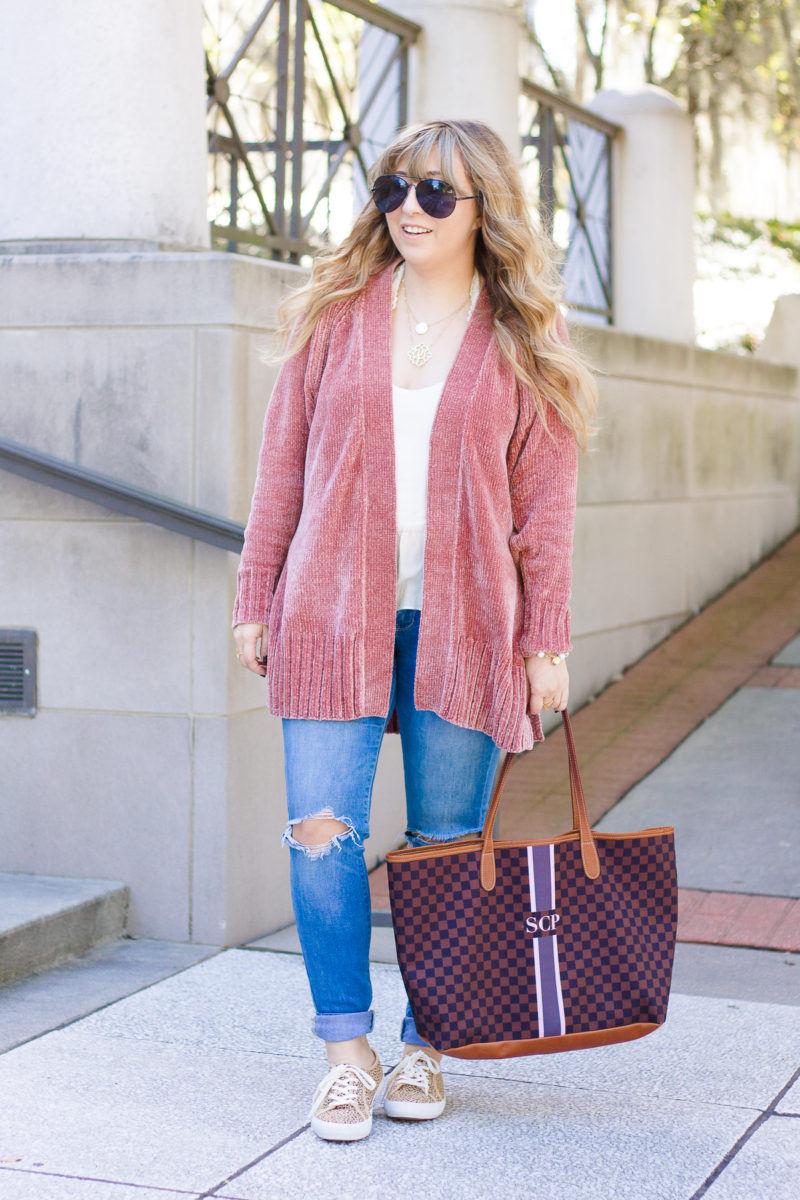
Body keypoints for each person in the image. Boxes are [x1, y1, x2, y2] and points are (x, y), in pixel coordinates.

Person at [233, 118, 597, 1142]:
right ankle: (345, 1054)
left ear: (485, 208)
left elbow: (547, 508)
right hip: (327, 613)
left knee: (443, 848)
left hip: (469, 622)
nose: (408, 210)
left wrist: (546, 641)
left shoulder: (526, 333)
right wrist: (254, 596)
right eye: (393, 189)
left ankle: (423, 1042)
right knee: (320, 836)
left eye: (435, 193)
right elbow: (279, 471)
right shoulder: (339, 313)